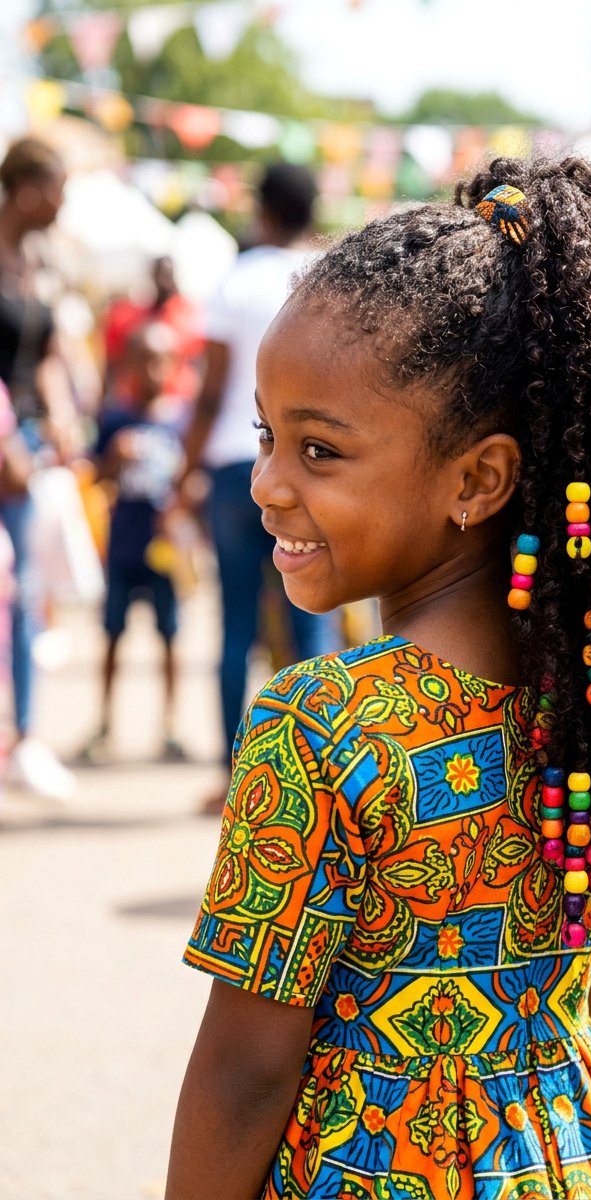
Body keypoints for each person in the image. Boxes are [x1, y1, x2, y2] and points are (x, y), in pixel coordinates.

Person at [167, 158, 591, 1199]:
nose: (267, 483)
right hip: (571, 1159)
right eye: (267, 436)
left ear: (479, 479)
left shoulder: (321, 725)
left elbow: (244, 1071)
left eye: (319, 451)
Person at [177, 162, 338, 808]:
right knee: (313, 621)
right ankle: (321, 780)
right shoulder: (328, 282)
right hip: (312, 470)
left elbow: (211, 390)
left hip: (232, 468)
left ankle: (233, 775)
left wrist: (185, 471)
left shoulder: (236, 281)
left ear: (261, 210)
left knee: (236, 625)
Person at [0, 136, 81, 800]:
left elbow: (47, 351)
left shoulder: (39, 261)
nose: (62, 203)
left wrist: (62, 412)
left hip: (25, 445)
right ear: (27, 189)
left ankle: (22, 736)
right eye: (57, 189)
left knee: (25, 589)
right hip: (6, 445)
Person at [84, 323, 185, 762]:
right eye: (144, 361)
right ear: (128, 366)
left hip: (164, 548)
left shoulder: (181, 418)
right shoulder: (115, 419)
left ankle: (170, 726)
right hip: (124, 542)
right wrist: (111, 458)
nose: (153, 370)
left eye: (161, 361)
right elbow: (94, 476)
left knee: (170, 635)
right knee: (112, 634)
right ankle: (104, 724)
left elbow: (194, 479)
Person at [101, 254, 203, 408]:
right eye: (159, 275)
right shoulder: (133, 314)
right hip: (137, 400)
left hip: (176, 398)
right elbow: (114, 360)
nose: (163, 281)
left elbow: (196, 358)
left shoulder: (187, 314)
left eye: (166, 275)